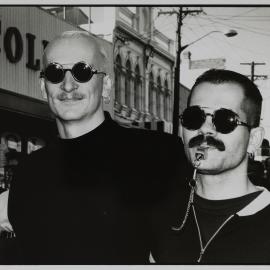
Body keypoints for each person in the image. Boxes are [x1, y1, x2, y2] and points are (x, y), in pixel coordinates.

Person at [6, 30, 187, 264]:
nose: (68, 85)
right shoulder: (29, 172)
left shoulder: (156, 154)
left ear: (107, 86)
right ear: (43, 87)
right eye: (55, 73)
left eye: (82, 72)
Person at [151, 69, 270, 264]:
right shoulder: (159, 213)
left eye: (225, 120)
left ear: (254, 139)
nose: (205, 128)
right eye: (194, 117)